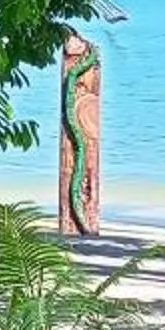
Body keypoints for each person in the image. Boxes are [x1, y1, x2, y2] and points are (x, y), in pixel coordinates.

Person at [57, 31, 104, 236]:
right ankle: (79, 223)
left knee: (84, 160)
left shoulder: (84, 67)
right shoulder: (73, 69)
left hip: (84, 121)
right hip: (76, 119)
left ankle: (85, 222)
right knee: (74, 165)